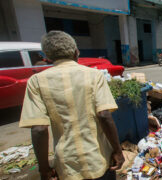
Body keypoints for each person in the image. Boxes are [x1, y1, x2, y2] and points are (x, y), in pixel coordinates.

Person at [19, 31, 124, 180]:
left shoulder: (36, 81)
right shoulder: (94, 76)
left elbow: (39, 129)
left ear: (48, 56)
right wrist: (118, 151)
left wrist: (44, 169)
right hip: (98, 159)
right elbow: (104, 116)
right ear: (76, 52)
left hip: (67, 166)